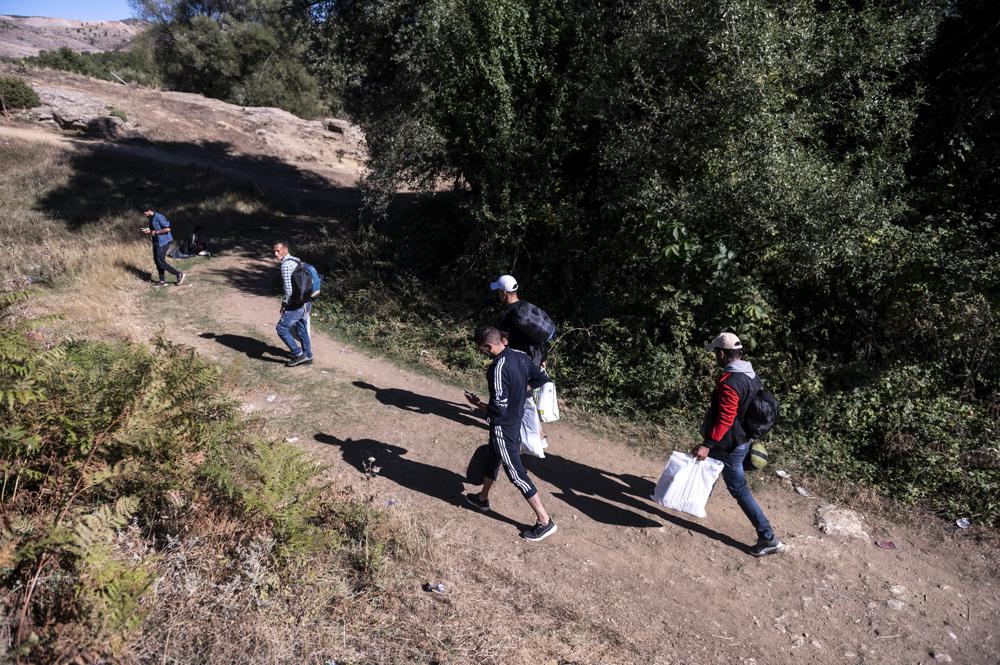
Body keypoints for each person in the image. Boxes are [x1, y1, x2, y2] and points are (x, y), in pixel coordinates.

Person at [463, 326, 557, 542]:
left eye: (481, 350)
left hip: (504, 428)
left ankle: (544, 521)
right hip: (516, 421)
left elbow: (498, 410)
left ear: (488, 346)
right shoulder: (521, 356)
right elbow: (543, 378)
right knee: (492, 459)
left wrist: (479, 407)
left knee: (516, 474)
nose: (481, 354)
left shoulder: (496, 369)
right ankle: (482, 498)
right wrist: (520, 389)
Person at [695, 332, 784, 557]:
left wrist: (707, 443)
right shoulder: (750, 374)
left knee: (739, 489)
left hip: (730, 443)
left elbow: (725, 418)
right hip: (742, 437)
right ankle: (694, 501)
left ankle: (768, 537)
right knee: (710, 470)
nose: (715, 357)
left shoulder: (730, 383)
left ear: (722, 353)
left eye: (716, 353)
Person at [272, 241, 313, 367]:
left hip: (296, 304)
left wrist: (284, 304)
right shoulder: (296, 260)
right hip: (306, 301)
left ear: (285, 250)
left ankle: (298, 353)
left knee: (281, 328)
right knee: (301, 329)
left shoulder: (285, 265)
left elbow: (289, 290)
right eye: (274, 251)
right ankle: (308, 355)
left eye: (277, 251)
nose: (275, 254)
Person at [142, 207, 184, 287]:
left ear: (150, 210)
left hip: (163, 242)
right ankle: (162, 281)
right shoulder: (150, 218)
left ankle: (179, 274)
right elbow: (154, 230)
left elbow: (167, 229)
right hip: (156, 242)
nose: (144, 214)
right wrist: (149, 231)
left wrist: (157, 232)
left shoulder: (159, 217)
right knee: (157, 260)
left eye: (145, 212)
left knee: (160, 261)